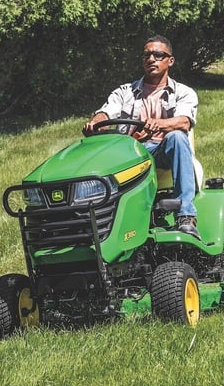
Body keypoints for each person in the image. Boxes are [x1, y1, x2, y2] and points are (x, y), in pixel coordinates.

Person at [83, 35, 200, 237]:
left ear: (170, 61)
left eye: (158, 55)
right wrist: (96, 122)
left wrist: (160, 124)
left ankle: (186, 215)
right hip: (130, 153)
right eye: (147, 55)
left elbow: (184, 122)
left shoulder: (183, 92)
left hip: (163, 151)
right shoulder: (124, 92)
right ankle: (96, 223)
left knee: (177, 137)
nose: (151, 59)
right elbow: (107, 111)